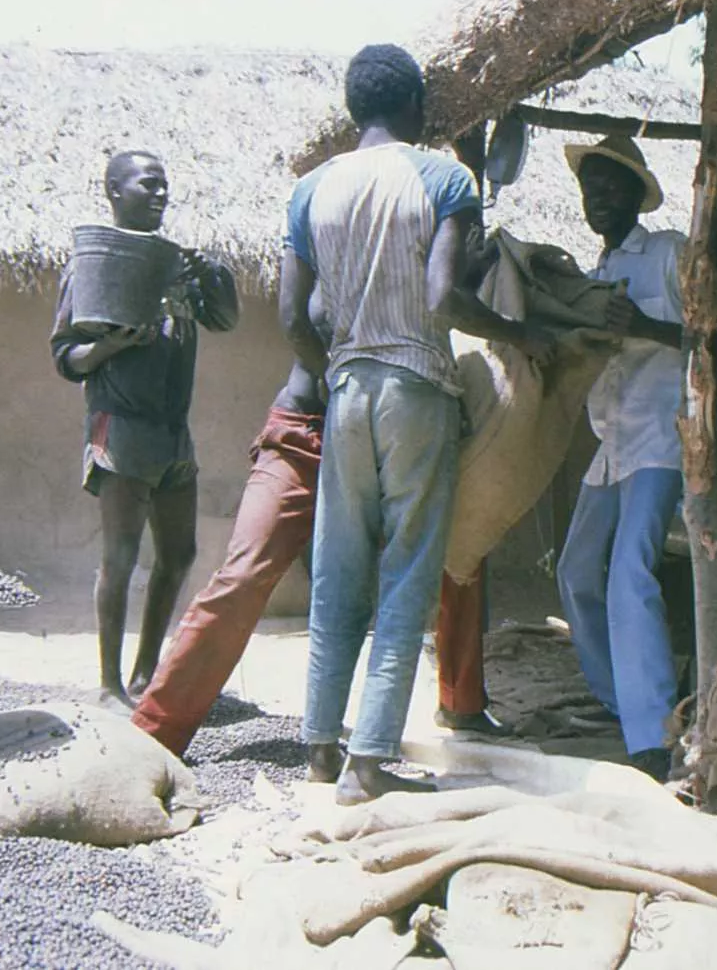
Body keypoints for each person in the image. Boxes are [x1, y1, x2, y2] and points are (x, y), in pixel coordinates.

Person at [281, 43, 553, 804]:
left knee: (337, 573)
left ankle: (319, 749)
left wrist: (337, 364)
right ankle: (371, 761)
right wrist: (518, 332)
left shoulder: (311, 190)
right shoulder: (444, 178)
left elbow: (293, 317)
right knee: (406, 574)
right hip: (418, 389)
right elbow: (442, 299)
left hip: (347, 391)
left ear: (351, 107)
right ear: (416, 107)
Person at [130, 303, 502, 757]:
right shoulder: (324, 239)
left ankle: (460, 701)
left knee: (458, 555)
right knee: (245, 573)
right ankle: (154, 732)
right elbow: (294, 320)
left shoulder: (419, 243)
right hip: (304, 435)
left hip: (394, 426)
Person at [51, 151, 239, 707]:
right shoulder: (93, 264)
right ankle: (110, 685)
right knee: (122, 556)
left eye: (166, 186)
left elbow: (224, 320)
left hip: (172, 431)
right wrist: (110, 345)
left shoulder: (176, 267)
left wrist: (212, 275)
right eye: (148, 184)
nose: (161, 194)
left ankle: (144, 674)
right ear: (113, 190)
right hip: (122, 426)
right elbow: (65, 356)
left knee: (179, 554)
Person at [553, 135, 687, 782]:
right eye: (589, 189)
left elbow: (714, 337)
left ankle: (655, 734)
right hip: (611, 447)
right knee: (576, 571)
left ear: (638, 192)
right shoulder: (592, 276)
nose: (597, 198)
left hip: (662, 440)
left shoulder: (668, 254)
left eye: (610, 187)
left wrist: (644, 326)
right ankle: (620, 698)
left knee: (629, 574)